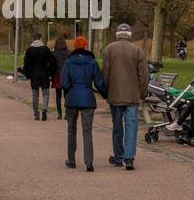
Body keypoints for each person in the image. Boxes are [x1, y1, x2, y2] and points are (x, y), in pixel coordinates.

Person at [101, 22, 149, 170]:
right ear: (130, 35)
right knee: (131, 127)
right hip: (132, 96)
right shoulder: (138, 51)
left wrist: (106, 91)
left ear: (117, 34)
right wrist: (141, 93)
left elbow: (105, 74)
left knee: (117, 127)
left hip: (115, 96)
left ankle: (118, 156)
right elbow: (144, 76)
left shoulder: (109, 49)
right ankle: (129, 158)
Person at [61, 35, 106, 171]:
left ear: (74, 46)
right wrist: (105, 95)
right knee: (87, 131)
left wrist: (70, 91)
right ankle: (89, 161)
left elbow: (64, 82)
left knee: (71, 130)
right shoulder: (92, 62)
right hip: (87, 98)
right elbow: (98, 82)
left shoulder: (69, 62)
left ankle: (71, 160)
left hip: (72, 99)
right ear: (86, 46)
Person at [21, 33, 57, 121]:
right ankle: (44, 109)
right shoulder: (45, 49)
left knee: (35, 95)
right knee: (45, 93)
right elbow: (52, 61)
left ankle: (36, 113)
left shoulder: (29, 50)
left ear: (33, 39)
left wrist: (28, 74)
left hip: (34, 75)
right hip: (44, 74)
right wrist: (50, 72)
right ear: (40, 38)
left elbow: (26, 64)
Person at [51, 35, 69, 119]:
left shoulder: (54, 53)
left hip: (57, 75)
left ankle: (59, 114)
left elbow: (52, 65)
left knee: (58, 95)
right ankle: (67, 113)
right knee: (66, 95)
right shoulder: (69, 53)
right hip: (66, 75)